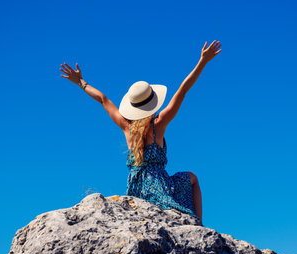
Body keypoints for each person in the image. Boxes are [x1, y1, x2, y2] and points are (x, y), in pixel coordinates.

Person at [60, 40, 222, 225]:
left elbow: (103, 99)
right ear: (153, 103)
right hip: (160, 187)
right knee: (192, 178)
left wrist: (80, 82)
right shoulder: (159, 124)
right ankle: (198, 224)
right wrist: (203, 62)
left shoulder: (126, 126)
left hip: (136, 189)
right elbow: (183, 89)